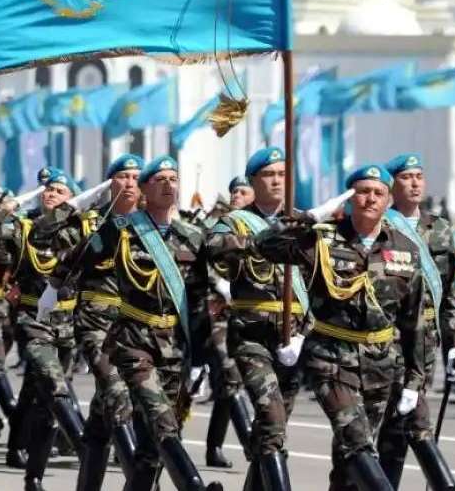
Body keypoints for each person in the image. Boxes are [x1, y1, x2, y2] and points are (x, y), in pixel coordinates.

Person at [254, 164, 427, 491]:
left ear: (389, 201)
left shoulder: (405, 249)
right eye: (362, 192)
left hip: (380, 364)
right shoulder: (322, 240)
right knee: (357, 442)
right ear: (349, 198)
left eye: (378, 193)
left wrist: (414, 381)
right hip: (331, 360)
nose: (370, 199)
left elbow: (414, 320)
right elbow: (263, 244)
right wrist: (307, 218)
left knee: (351, 461)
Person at [79, 156, 223, 491]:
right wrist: (54, 288)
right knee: (162, 423)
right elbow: (81, 258)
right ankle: (195, 486)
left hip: (173, 344)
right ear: (144, 188)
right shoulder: (121, 230)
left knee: (149, 451)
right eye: (159, 179)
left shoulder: (192, 236)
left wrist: (201, 358)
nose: (168, 184)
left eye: (173, 178)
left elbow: (198, 301)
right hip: (133, 341)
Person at [33, 154, 142, 491]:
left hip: (137, 324)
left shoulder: (149, 224)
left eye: (137, 177)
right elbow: (40, 234)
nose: (130, 183)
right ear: (109, 183)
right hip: (96, 322)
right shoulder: (88, 220)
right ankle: (141, 482)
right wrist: (74, 204)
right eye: (122, 176)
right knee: (117, 393)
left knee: (101, 419)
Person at [205, 147, 307, 489]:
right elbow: (216, 247)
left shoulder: (303, 221)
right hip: (252, 336)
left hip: (294, 338)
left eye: (281, 173)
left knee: (268, 433)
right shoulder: (234, 222)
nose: (277, 180)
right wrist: (267, 238)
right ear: (253, 181)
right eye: (268, 174)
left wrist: (305, 334)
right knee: (272, 420)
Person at [0, 168, 86, 490]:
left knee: (39, 398)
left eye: (59, 189)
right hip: (33, 319)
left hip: (67, 322)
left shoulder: (82, 230)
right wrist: (9, 206)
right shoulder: (24, 228)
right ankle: (86, 447)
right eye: (47, 189)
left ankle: (31, 471)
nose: (50, 194)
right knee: (56, 388)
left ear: (72, 199)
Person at [376, 154, 455, 491]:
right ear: (392, 185)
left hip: (426, 338)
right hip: (391, 337)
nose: (415, 183)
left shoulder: (440, 228)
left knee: (401, 423)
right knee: (407, 420)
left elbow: (450, 291)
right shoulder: (381, 225)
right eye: (406, 177)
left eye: (419, 176)